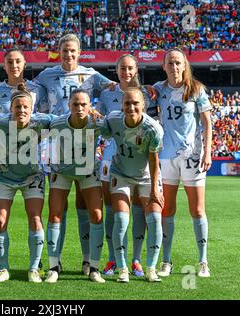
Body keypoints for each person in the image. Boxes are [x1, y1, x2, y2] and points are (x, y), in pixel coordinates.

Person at [34, 33, 113, 276]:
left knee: (86, 206)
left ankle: (89, 261)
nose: (69, 54)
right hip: (59, 145)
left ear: (79, 52)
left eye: (73, 51)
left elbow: (116, 87)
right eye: (65, 50)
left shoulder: (91, 74)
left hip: (86, 145)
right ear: (60, 52)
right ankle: (54, 264)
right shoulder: (47, 74)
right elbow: (26, 88)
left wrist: (146, 88)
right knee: (58, 209)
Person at [0, 83, 55, 283]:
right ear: (10, 109)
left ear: (32, 110)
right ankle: (3, 268)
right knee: (1, 220)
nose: (21, 110)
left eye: (25, 108)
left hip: (32, 176)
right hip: (4, 176)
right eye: (17, 107)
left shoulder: (42, 120)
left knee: (35, 218)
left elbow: (65, 121)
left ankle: (33, 268)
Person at [96, 54, 158, 277]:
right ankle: (113, 260)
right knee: (113, 210)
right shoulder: (106, 92)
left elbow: (151, 126)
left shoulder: (148, 94)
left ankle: (137, 260)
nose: (126, 72)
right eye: (122, 68)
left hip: (139, 160)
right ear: (116, 70)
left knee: (139, 210)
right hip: (110, 157)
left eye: (130, 68)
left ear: (137, 69)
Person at [154, 48, 212, 278]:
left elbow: (207, 123)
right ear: (164, 66)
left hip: (193, 158)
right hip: (167, 157)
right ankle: (166, 261)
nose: (174, 67)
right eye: (170, 63)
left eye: (178, 63)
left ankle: (203, 261)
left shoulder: (197, 90)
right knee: (167, 210)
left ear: (185, 65)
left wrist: (208, 152)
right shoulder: (158, 89)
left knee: (197, 210)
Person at [104, 87, 164, 283]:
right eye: (127, 103)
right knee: (121, 220)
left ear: (143, 105)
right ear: (121, 105)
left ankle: (151, 268)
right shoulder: (113, 119)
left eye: (135, 103)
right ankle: (122, 268)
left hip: (147, 177)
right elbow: (100, 130)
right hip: (121, 174)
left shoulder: (153, 128)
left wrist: (155, 188)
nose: (131, 107)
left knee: (154, 218)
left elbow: (154, 160)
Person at [45, 89, 105, 284]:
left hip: (87, 171)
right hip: (62, 170)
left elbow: (117, 126)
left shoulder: (97, 123)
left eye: (83, 105)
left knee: (96, 215)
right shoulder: (57, 123)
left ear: (90, 107)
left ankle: (92, 265)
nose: (79, 108)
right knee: (55, 214)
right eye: (75, 104)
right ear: (69, 106)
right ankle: (54, 265)